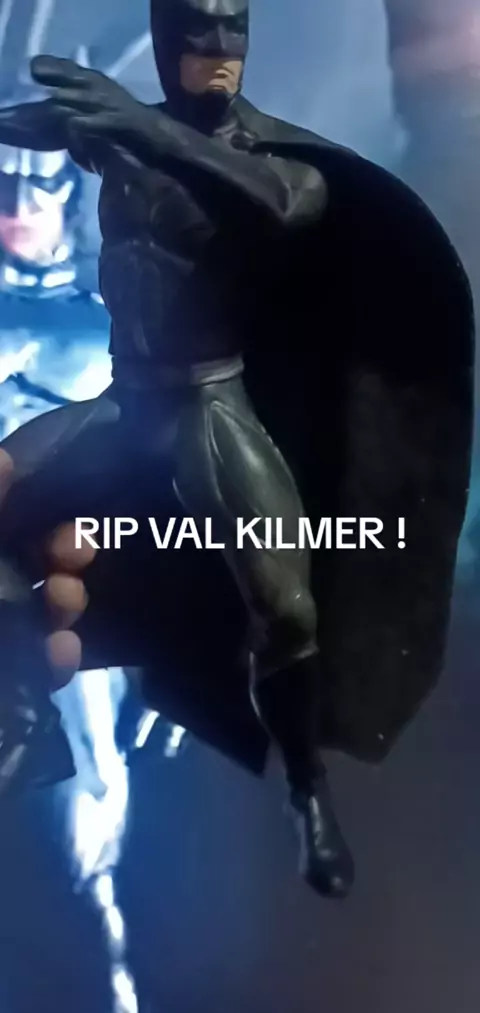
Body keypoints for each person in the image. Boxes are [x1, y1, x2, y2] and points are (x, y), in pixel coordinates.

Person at [0, 0, 473, 901]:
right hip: (125, 399)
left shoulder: (267, 161)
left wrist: (141, 125)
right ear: (166, 34)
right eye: (197, 31)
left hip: (207, 405)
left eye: (232, 30)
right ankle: (22, 724)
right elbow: (34, 129)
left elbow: (286, 204)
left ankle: (307, 792)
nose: (217, 50)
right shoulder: (114, 137)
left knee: (285, 608)